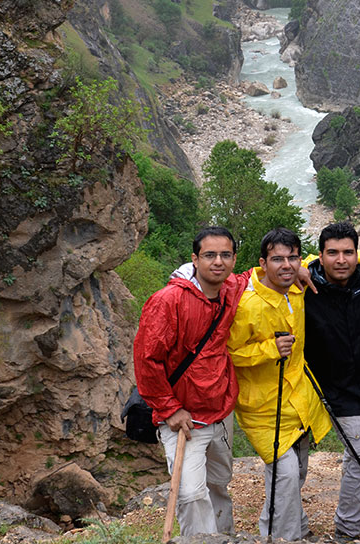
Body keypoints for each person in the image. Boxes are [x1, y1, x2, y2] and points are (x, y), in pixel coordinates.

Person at [131, 226, 244, 535]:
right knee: (191, 493)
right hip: (184, 418)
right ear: (195, 259)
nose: (217, 262)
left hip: (219, 411)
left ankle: (224, 536)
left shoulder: (231, 288)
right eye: (209, 255)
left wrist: (305, 268)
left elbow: (265, 272)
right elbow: (146, 359)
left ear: (234, 260)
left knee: (219, 483)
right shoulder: (168, 301)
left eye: (225, 255)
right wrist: (169, 410)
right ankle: (200, 541)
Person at [227, 227, 333, 540]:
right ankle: (280, 537)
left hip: (298, 399)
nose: (286, 265)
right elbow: (230, 353)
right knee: (285, 475)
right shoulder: (248, 304)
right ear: (263, 262)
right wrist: (269, 350)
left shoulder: (296, 285)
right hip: (263, 407)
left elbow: (321, 259)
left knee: (295, 473)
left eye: (292, 258)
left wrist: (358, 254)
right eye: (277, 259)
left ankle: (296, 527)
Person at [304, 222, 360, 540]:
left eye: (348, 252)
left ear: (357, 253)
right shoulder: (304, 288)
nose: (340, 260)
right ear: (320, 256)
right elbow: (260, 276)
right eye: (333, 253)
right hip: (335, 392)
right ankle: (347, 529)